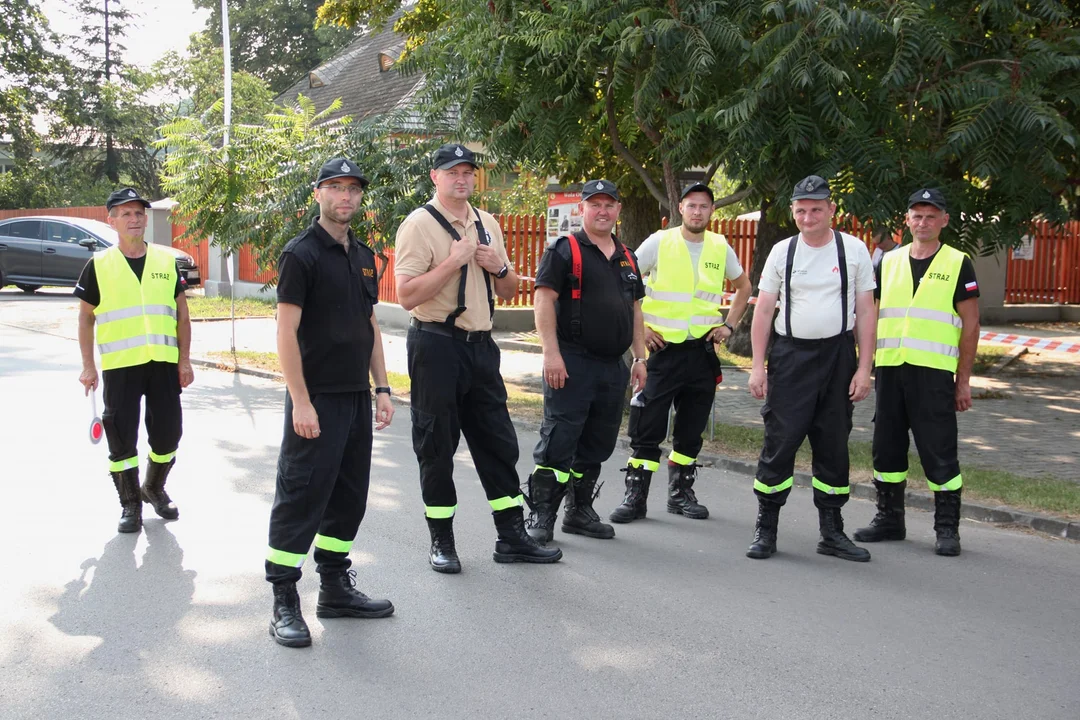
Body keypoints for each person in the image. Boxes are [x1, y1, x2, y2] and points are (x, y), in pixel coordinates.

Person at [395, 143, 562, 572]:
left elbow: (507, 292)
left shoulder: (487, 223)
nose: (462, 179)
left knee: (497, 442)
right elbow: (406, 295)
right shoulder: (419, 224)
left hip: (482, 348)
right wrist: (453, 263)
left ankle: (511, 537)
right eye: (452, 172)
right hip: (436, 345)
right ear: (436, 177)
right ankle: (442, 542)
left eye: (468, 172)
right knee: (436, 444)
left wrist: (498, 268)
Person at [265, 157, 396, 649]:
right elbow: (285, 331)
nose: (346, 196)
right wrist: (300, 401)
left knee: (347, 497)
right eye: (336, 188)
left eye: (353, 189)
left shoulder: (363, 255)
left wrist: (382, 388)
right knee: (301, 495)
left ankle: (335, 589)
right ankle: (283, 599)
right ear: (318, 194)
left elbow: (369, 326)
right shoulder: (301, 254)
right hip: (315, 398)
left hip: (355, 398)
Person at [745, 175, 877, 562]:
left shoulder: (852, 250)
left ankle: (832, 532)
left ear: (832, 210)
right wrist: (757, 367)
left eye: (816, 209)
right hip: (791, 359)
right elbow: (764, 310)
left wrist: (864, 368)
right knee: (780, 442)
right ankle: (765, 528)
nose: (808, 216)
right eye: (801, 210)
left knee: (833, 443)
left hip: (838, 358)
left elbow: (866, 311)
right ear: (792, 212)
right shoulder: (782, 252)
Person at [611, 182, 752, 525]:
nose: (697, 212)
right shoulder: (661, 241)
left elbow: (744, 287)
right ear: (681, 208)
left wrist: (729, 327)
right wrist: (641, 329)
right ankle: (636, 495)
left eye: (704, 206)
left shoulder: (720, 246)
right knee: (647, 425)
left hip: (702, 353)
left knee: (691, 428)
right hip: (661, 352)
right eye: (691, 206)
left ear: (712, 211)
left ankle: (680, 493)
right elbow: (622, 280)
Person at [854, 188, 980, 556]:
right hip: (892, 371)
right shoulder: (888, 262)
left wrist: (963, 381)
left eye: (931, 216)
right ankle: (889, 520)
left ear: (944, 220)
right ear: (906, 221)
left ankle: (946, 528)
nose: (923, 222)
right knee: (886, 449)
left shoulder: (959, 262)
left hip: (934, 373)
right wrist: (864, 365)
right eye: (917, 215)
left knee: (938, 450)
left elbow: (970, 326)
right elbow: (870, 316)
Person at [523, 179, 647, 544]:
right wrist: (551, 354)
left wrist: (640, 357)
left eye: (609, 204)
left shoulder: (627, 256)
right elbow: (543, 300)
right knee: (559, 439)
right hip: (572, 361)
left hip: (613, 366)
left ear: (618, 210)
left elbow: (636, 309)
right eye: (595, 204)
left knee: (598, 441)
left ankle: (578, 513)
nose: (603, 210)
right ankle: (542, 514)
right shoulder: (565, 250)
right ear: (583, 209)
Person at [76, 188, 194, 534]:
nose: (134, 219)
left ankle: (154, 487)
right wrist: (88, 366)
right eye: (125, 214)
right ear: (110, 220)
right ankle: (130, 504)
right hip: (120, 366)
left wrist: (184, 360)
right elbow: (85, 319)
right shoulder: (98, 265)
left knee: (168, 434)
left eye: (139, 213)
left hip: (162, 364)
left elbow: (182, 316)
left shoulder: (165, 261)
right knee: (121, 437)